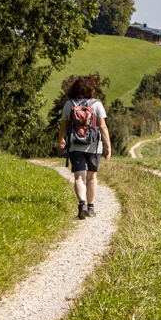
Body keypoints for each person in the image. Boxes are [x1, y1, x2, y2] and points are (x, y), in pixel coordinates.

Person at [57, 75, 112, 220]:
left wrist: (61, 139)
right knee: (92, 176)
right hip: (94, 147)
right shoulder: (97, 104)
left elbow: (63, 126)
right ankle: (91, 207)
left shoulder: (69, 104)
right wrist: (108, 146)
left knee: (79, 177)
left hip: (75, 145)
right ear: (90, 89)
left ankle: (82, 204)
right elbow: (103, 126)